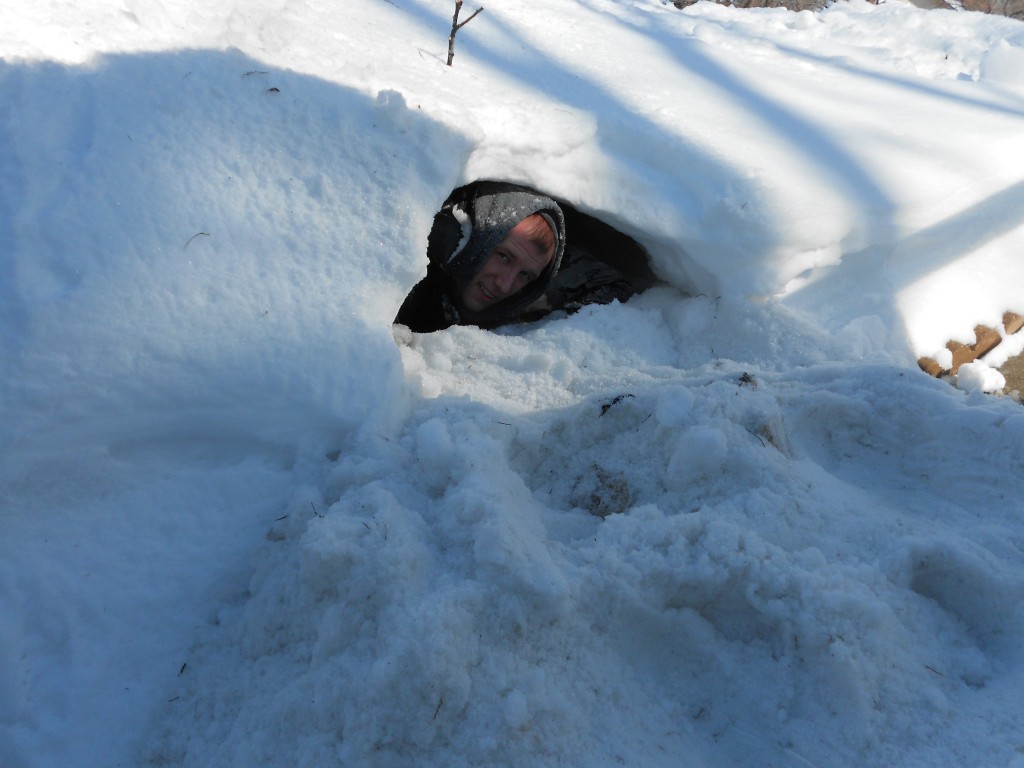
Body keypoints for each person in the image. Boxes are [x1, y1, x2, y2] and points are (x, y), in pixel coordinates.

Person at [394, 180, 657, 333]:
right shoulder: (413, 265)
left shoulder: (532, 292)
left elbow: (623, 284)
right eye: (504, 256)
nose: (505, 285)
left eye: (525, 275)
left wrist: (548, 318)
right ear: (475, 236)